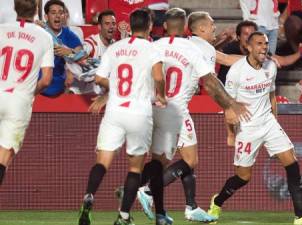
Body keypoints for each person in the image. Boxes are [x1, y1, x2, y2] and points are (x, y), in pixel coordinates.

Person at [113, 8, 251, 223]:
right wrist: (230, 104)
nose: (214, 27)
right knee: (189, 160)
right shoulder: (194, 48)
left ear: (165, 25)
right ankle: (144, 190)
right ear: (187, 27)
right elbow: (213, 78)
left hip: (150, 108)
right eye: (212, 24)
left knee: (161, 160)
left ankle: (186, 206)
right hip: (175, 111)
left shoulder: (154, 45)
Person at [206, 31, 302, 225]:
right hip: (247, 128)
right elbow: (229, 106)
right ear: (249, 47)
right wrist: (230, 134)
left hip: (268, 123)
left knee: (292, 165)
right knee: (243, 177)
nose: (263, 47)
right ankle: (217, 202)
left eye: (266, 44)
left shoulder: (270, 66)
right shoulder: (237, 71)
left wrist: (274, 121)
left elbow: (271, 96)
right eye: (259, 44)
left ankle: (301, 218)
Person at [77, 9, 168, 225]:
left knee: (102, 162)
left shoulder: (115, 48)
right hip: (139, 112)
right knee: (135, 168)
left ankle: (89, 197)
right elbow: (158, 76)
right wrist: (161, 95)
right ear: (148, 26)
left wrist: (116, 88)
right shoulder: (152, 48)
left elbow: (99, 78)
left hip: (115, 111)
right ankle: (124, 216)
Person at [0, 0, 53, 185]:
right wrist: (29, 92)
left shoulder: (1, 29)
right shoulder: (45, 37)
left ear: (14, 7)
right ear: (37, 9)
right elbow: (46, 79)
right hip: (20, 100)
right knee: (4, 154)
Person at [69, 9, 116, 94]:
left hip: (98, 94)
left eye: (113, 24)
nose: (111, 27)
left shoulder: (115, 46)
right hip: (81, 93)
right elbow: (76, 54)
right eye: (107, 23)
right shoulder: (91, 43)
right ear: (99, 27)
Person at [41, 0, 82, 97]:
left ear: (64, 16)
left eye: (60, 13)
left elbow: (81, 53)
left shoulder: (68, 34)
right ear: (46, 16)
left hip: (58, 85)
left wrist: (69, 52)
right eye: (53, 13)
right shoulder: (39, 31)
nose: (57, 16)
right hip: (36, 83)